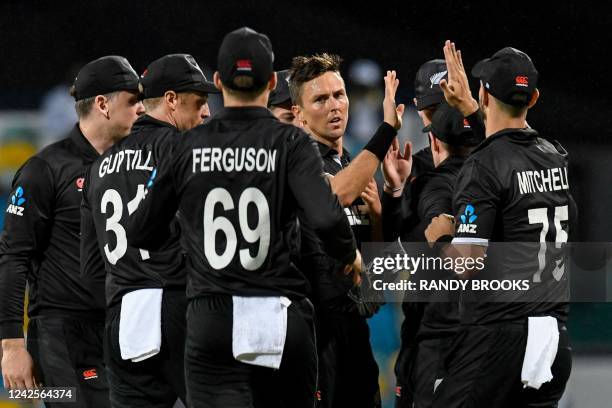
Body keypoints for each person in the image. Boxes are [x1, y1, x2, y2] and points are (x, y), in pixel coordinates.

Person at [126, 27, 361, 408]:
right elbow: (327, 219)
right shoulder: (291, 142)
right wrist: (351, 255)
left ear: (218, 81)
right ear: (271, 82)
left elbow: (141, 232)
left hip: (210, 315)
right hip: (279, 311)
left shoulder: (187, 145)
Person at [426, 41, 574, 408]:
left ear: (484, 93)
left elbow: (466, 264)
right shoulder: (556, 158)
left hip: (500, 337)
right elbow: (513, 150)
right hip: (554, 339)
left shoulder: (481, 166)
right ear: (534, 98)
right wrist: (476, 110)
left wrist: (440, 240)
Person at [0, 56, 143, 407]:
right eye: (132, 101)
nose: (141, 109)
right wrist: (12, 346)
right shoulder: (45, 169)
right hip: (61, 339)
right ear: (102, 105)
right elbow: (13, 258)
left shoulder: (136, 165)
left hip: (124, 331)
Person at [80, 54, 217, 407]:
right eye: (200, 103)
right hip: (179, 303)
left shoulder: (97, 169)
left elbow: (92, 270)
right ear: (171, 100)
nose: (207, 113)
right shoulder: (182, 148)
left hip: (122, 318)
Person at [289, 53, 403, 408]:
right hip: (313, 333)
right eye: (320, 99)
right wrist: (387, 130)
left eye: (339, 95)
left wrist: (382, 211)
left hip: (354, 330)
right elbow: (334, 195)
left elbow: (377, 272)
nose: (334, 106)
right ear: (299, 114)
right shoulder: (295, 157)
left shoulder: (351, 162)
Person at [383, 102, 480, 408]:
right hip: (495, 334)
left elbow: (419, 242)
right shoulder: (500, 180)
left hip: (442, 339)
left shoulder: (436, 183)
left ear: (435, 142)